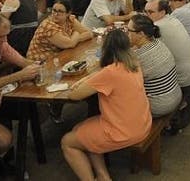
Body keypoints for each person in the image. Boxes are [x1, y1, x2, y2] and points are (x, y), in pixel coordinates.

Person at [61, 29, 152, 181]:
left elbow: (74, 96)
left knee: (67, 141)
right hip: (142, 123)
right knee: (79, 128)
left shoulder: (110, 72)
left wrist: (82, 81)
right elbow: (101, 76)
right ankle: (103, 176)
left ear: (106, 49)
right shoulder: (134, 64)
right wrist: (90, 78)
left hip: (122, 131)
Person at [0, 15, 40, 176]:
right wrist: (19, 76)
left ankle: (3, 158)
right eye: (0, 37)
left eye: (6, 36)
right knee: (3, 139)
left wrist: (37, 67)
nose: (4, 40)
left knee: (27, 109)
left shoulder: (0, 44)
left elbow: (23, 62)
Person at [126, 15, 183, 117]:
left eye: (129, 31)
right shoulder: (158, 42)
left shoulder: (139, 57)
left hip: (159, 106)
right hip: (175, 95)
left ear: (141, 34)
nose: (126, 33)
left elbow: (128, 82)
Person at [144, 0, 190, 91]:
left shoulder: (158, 26)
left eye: (150, 12)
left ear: (162, 12)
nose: (146, 15)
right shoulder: (172, 19)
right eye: (145, 12)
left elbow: (145, 49)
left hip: (183, 79)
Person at [27, 0, 93, 62]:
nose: (56, 14)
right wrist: (76, 32)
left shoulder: (70, 19)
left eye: (60, 11)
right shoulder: (48, 26)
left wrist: (75, 39)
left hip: (58, 57)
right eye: (54, 10)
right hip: (39, 62)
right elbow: (69, 44)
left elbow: (89, 34)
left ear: (68, 13)